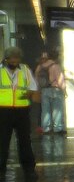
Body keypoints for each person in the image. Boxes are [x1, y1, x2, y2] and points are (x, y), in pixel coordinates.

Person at [0, 46, 38, 174]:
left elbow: (32, 86)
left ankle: (28, 166)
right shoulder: (0, 71)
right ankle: (1, 165)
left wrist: (29, 93)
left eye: (17, 59)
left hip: (22, 110)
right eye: (12, 60)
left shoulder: (25, 70)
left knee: (25, 140)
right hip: (3, 111)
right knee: (3, 139)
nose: (15, 62)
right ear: (6, 59)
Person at [35, 49, 66, 134]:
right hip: (55, 90)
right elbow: (60, 79)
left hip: (44, 90)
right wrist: (64, 90)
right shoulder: (55, 66)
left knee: (45, 110)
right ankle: (58, 128)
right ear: (56, 57)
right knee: (57, 110)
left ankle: (46, 128)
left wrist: (39, 89)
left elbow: (36, 79)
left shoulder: (40, 66)